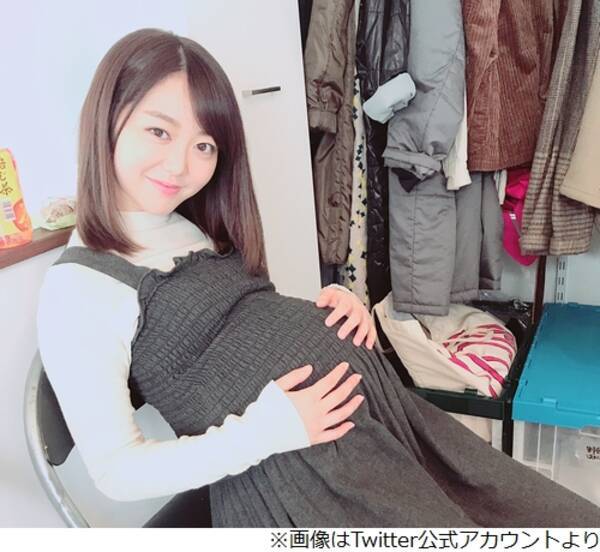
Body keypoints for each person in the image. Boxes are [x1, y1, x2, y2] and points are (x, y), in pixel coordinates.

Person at [37, 28, 600, 528]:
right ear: (106, 117)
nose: (182, 165)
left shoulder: (180, 223)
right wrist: (264, 433)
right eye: (159, 131)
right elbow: (117, 471)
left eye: (204, 145)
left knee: (552, 516)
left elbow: (237, 328)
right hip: (299, 485)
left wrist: (325, 307)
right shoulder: (78, 290)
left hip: (379, 425)